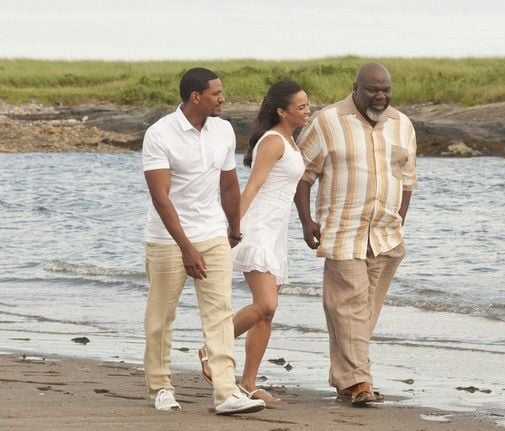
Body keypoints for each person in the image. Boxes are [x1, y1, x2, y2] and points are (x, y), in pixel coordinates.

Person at [141, 67, 265, 415]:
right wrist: (186, 248)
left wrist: (234, 227)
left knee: (219, 315)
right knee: (160, 317)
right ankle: (161, 386)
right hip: (168, 240)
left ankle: (226, 392)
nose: (222, 98)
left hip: (212, 234)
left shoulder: (223, 130)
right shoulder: (160, 134)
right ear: (196, 97)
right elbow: (160, 197)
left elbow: (228, 184)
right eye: (216, 94)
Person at [293, 63, 417, 405]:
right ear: (355, 88)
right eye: (373, 90)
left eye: (386, 90)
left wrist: (399, 219)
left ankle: (346, 378)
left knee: (362, 312)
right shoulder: (327, 121)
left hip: (386, 234)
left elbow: (407, 179)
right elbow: (301, 175)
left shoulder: (402, 124)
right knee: (348, 306)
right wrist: (306, 221)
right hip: (343, 230)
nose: (381, 96)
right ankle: (360, 382)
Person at [197, 79, 310, 405]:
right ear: (281, 111)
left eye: (307, 104)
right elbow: (252, 187)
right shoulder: (273, 141)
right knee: (266, 304)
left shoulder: (291, 140)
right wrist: (231, 228)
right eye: (300, 107)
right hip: (257, 229)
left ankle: (247, 383)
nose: (307, 111)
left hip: (276, 233)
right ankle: (211, 349)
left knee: (267, 315)